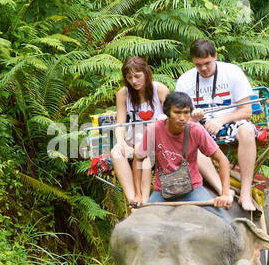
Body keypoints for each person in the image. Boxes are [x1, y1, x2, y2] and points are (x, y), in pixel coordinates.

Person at [175, 38, 259, 211]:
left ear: (216, 56)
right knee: (187, 142)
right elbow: (179, 118)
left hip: (231, 122)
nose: (204, 69)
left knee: (247, 131)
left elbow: (246, 111)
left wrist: (221, 120)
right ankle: (223, 190)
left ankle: (245, 193)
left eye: (207, 63)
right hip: (201, 126)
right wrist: (192, 118)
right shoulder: (185, 80)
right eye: (198, 65)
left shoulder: (232, 72)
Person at [134, 91, 233, 213]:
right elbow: (139, 159)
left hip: (193, 188)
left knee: (222, 219)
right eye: (177, 112)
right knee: (145, 220)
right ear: (167, 112)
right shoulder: (153, 130)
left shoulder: (196, 130)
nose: (182, 118)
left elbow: (222, 159)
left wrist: (225, 194)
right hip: (162, 191)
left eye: (186, 113)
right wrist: (138, 194)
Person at [109, 57, 171, 207]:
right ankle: (133, 199)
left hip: (158, 137)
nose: (134, 81)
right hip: (135, 136)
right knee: (116, 153)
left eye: (137, 76)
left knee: (143, 153)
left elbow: (174, 117)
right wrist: (121, 142)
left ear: (146, 73)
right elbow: (120, 123)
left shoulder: (159, 90)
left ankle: (143, 198)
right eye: (129, 78)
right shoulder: (124, 94)